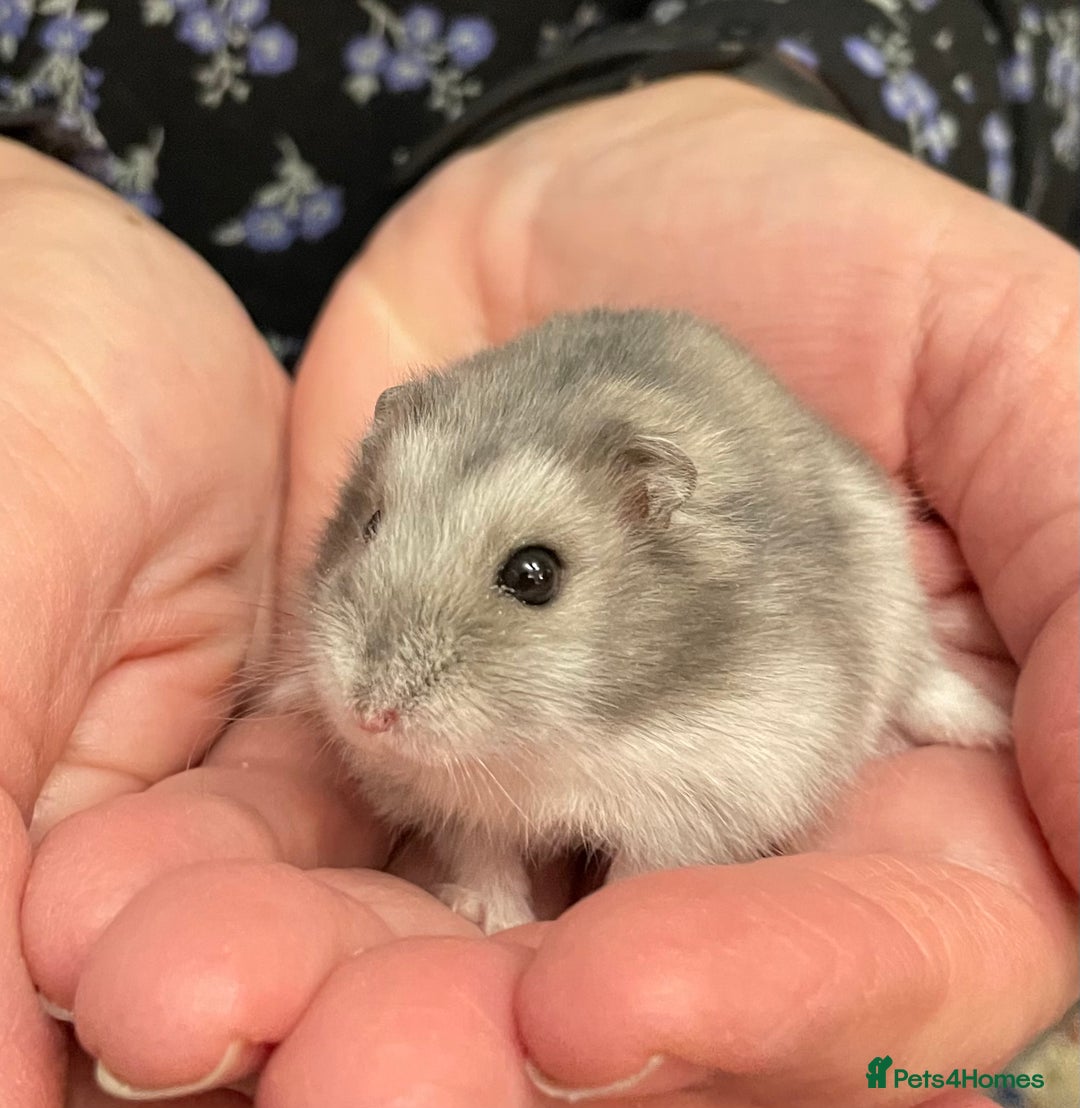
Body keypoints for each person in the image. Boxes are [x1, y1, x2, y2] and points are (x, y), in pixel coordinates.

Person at [0, 3, 1076, 1106]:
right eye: (375, 524)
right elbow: (372, 648)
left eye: (528, 577)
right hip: (187, 266)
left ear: (656, 522)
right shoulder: (374, 615)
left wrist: (763, 81)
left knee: (862, 527)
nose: (377, 693)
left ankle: (909, 667)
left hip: (755, 91)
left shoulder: (729, 671)